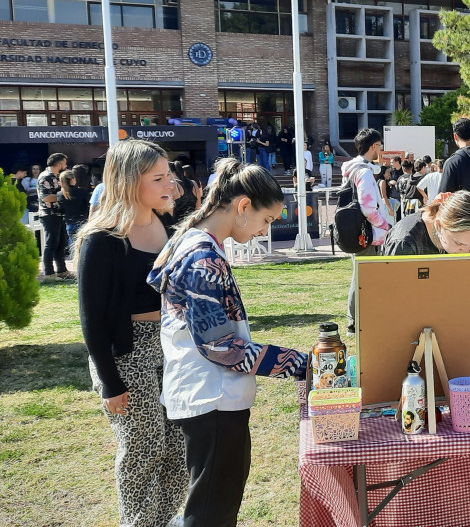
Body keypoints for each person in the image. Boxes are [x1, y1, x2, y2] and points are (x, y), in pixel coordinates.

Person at [148, 159, 307, 527]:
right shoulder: (200, 254)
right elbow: (221, 348)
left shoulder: (198, 244)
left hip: (211, 397)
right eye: (267, 221)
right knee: (210, 514)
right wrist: (298, 363)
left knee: (213, 506)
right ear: (243, 206)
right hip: (211, 399)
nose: (265, 230)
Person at [75, 139, 187, 527]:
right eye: (158, 178)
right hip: (128, 352)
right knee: (143, 446)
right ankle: (138, 523)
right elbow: (91, 319)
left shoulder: (170, 225)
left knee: (178, 445)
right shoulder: (101, 239)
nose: (169, 184)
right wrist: (109, 382)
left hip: (172, 345)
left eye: (168, 175)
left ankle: (164, 518)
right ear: (126, 182)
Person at [342, 129, 394, 333]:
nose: (381, 149)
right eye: (380, 145)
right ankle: (356, 321)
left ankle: (356, 319)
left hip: (357, 230)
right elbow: (368, 207)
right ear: (373, 146)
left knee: (360, 275)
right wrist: (385, 225)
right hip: (368, 233)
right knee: (363, 277)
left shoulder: (351, 169)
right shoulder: (363, 172)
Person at [383, 191, 470, 256]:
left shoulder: (468, 235)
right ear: (439, 225)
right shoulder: (404, 243)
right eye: (459, 243)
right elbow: (391, 288)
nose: (466, 252)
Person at [38, 153, 73, 280]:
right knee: (51, 243)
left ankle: (61, 270)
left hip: (59, 213)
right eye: (64, 162)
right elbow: (46, 197)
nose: (66, 165)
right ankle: (48, 273)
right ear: (59, 164)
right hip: (49, 214)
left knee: (61, 243)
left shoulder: (56, 176)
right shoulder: (46, 176)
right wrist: (64, 196)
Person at [58, 169, 90, 253]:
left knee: (73, 247)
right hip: (83, 221)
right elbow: (88, 205)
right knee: (83, 247)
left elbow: (61, 209)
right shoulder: (82, 192)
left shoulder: (60, 195)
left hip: (69, 222)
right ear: (72, 179)